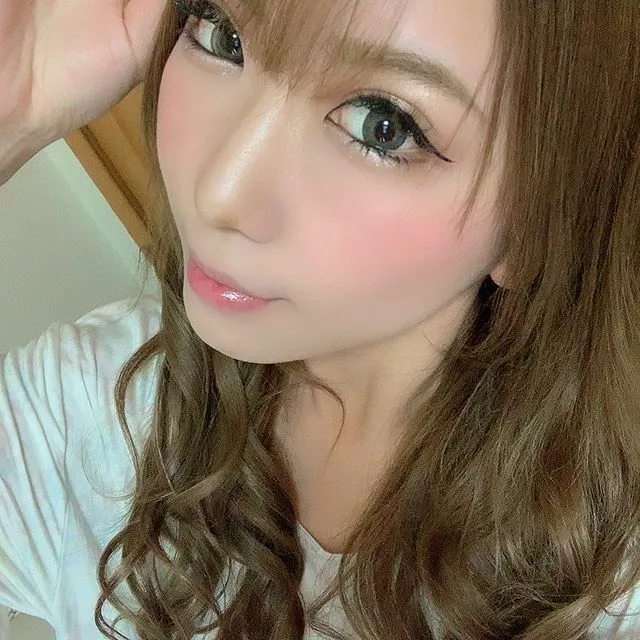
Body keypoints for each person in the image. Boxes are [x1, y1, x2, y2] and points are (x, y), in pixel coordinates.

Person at [1, 0, 640, 638]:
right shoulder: (90, 408)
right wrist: (13, 113)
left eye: (382, 126)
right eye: (222, 35)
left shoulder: (614, 584)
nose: (220, 192)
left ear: (535, 224)